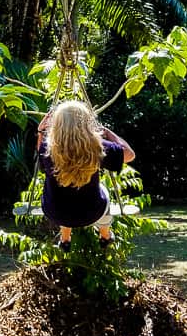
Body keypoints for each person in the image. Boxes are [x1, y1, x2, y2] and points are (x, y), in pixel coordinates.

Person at [36, 100, 136, 251]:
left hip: (56, 213)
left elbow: (41, 156)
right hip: (91, 213)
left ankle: (65, 239)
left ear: (56, 123)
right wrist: (108, 133)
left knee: (61, 197)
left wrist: (40, 132)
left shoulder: (48, 147)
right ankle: (105, 235)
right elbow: (130, 155)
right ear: (86, 122)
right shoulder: (97, 146)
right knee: (103, 192)